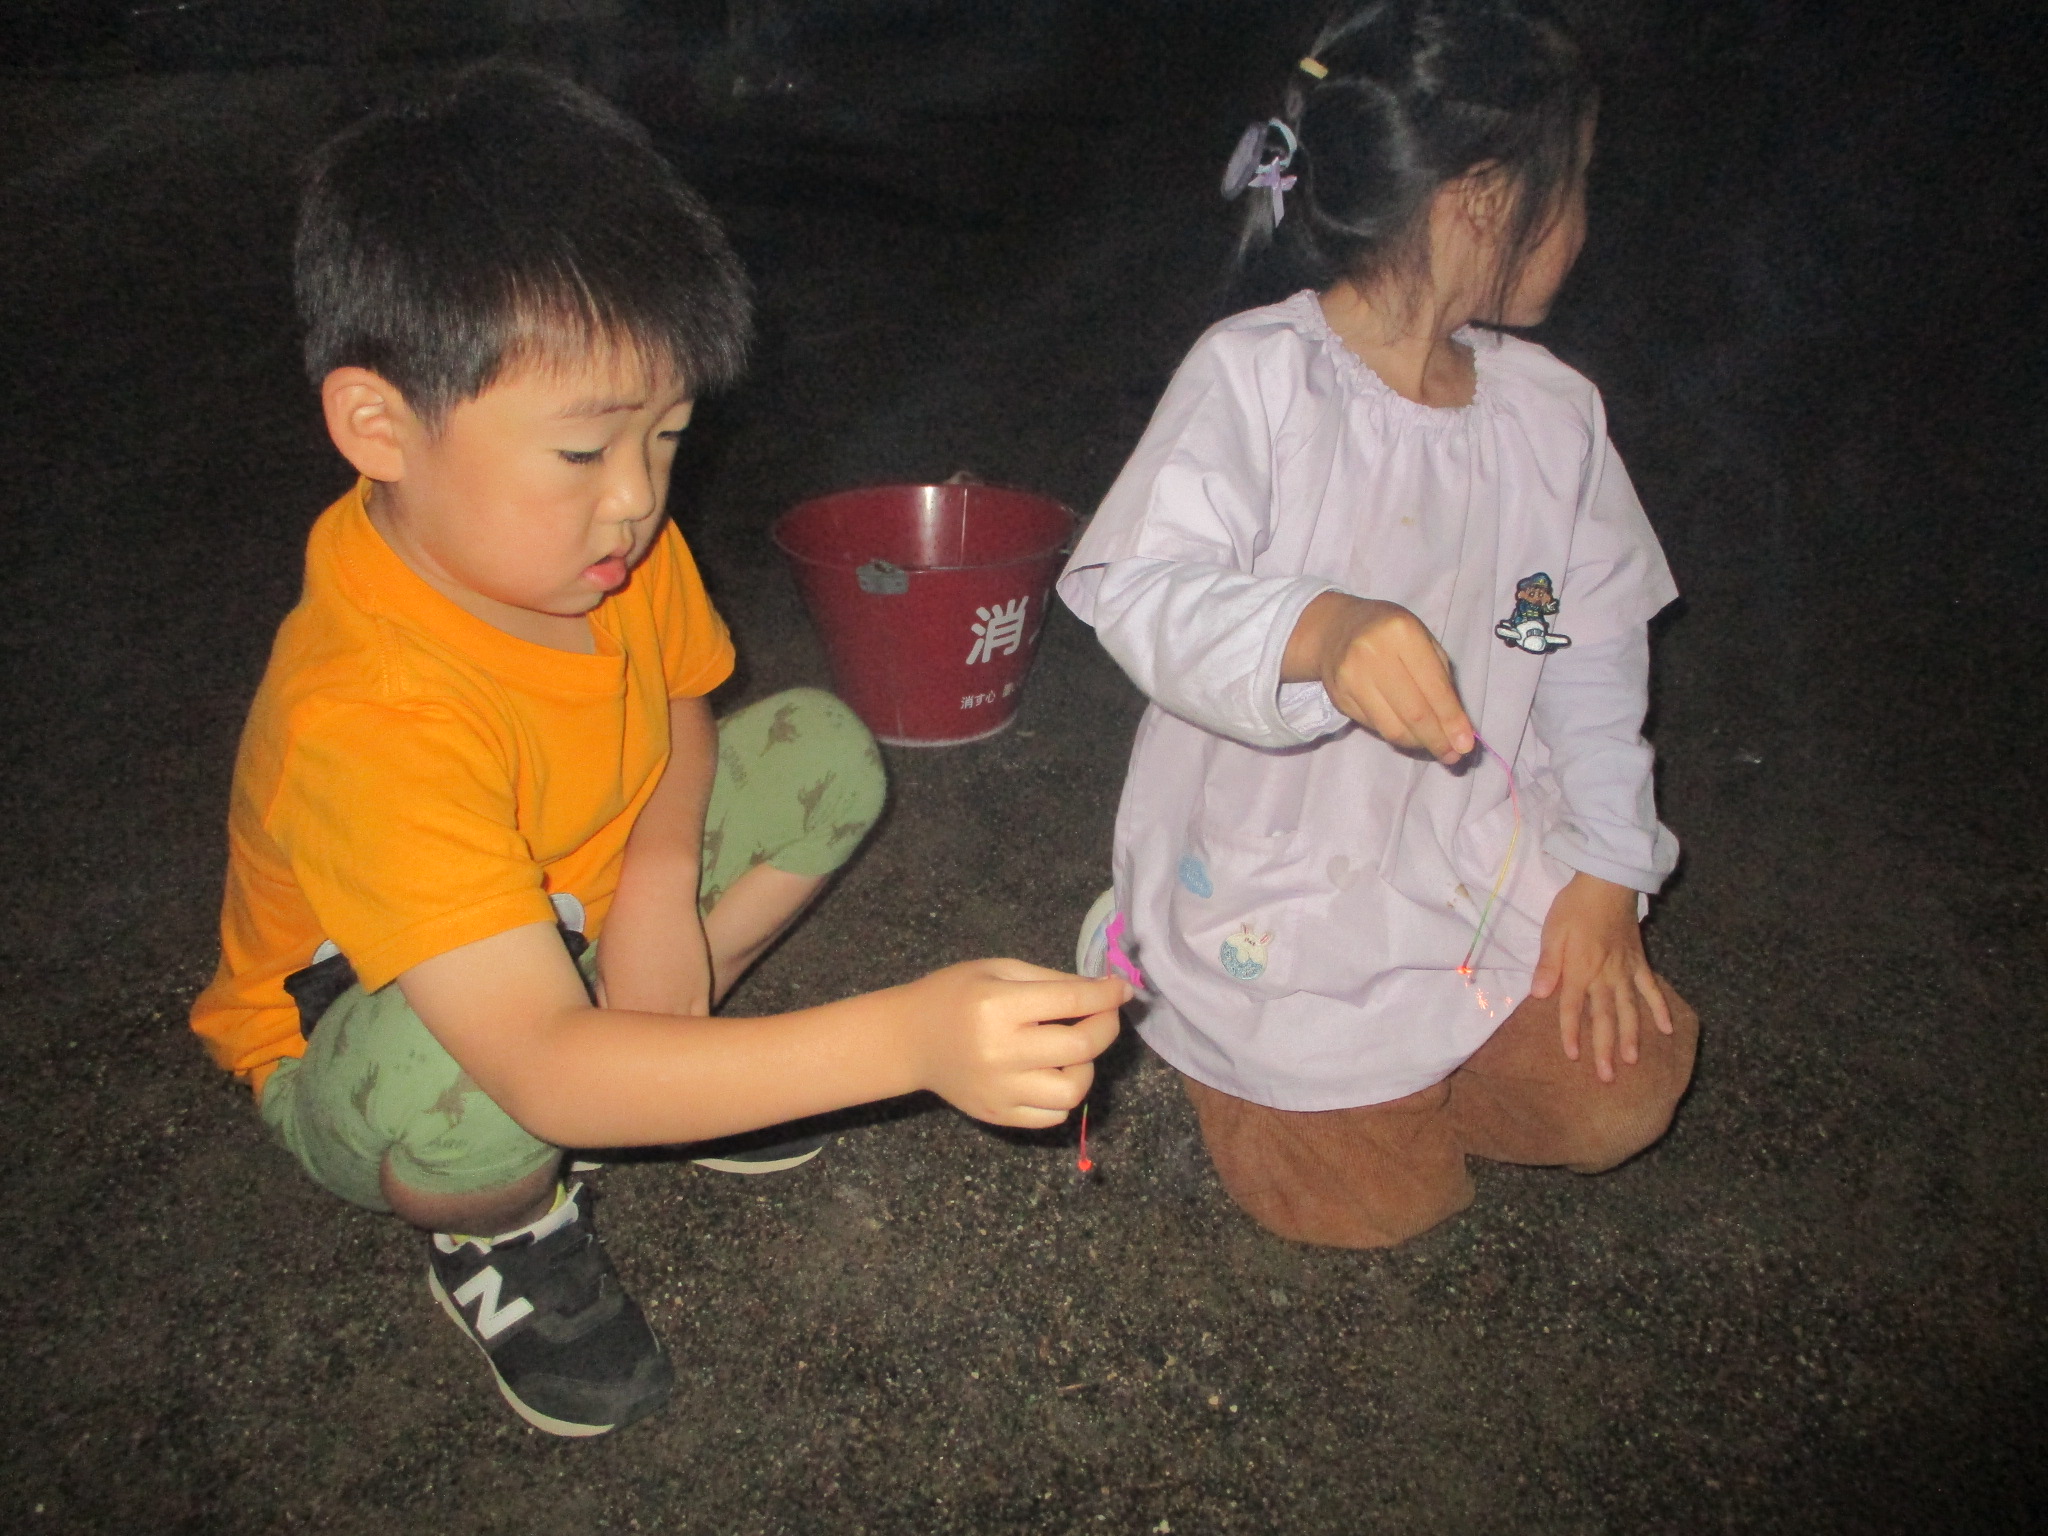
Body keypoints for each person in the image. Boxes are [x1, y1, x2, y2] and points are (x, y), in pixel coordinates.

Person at [190, 63, 1127, 1439]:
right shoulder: (368, 712)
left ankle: (670, 1067)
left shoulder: (604, 550)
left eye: (668, 436)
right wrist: (907, 1040)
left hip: (575, 915)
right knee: (476, 1084)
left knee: (823, 751)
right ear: (377, 426)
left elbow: (684, 702)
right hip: (373, 1040)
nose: (635, 498)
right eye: (582, 452)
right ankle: (498, 1223)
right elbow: (535, 1058)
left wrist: (655, 877)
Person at [1062, 0, 1696, 1251]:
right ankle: (1164, 966)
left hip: (1464, 857)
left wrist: (1604, 872)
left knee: (1626, 1087)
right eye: (1572, 185)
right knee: (1373, 1208)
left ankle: (1388, 1067)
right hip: (1275, 878)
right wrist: (1317, 629)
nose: (1582, 221)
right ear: (1480, 201)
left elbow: (1576, 642)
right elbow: (1143, 585)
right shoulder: (1259, 376)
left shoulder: (1551, 418)